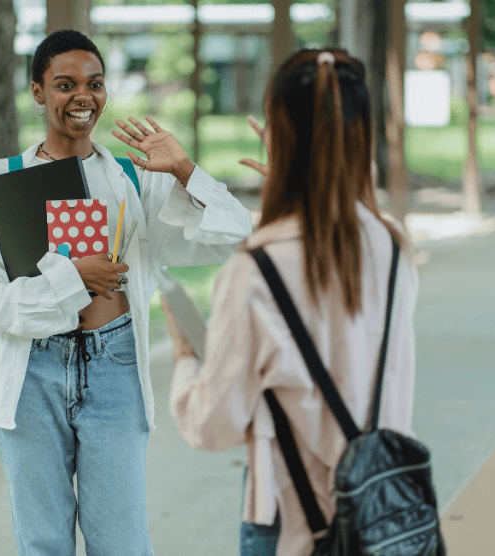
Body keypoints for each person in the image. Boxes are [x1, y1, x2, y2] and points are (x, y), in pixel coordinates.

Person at [0, 30, 252, 556]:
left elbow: (236, 237)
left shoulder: (132, 179)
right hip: (31, 372)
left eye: (94, 84)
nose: (82, 97)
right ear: (37, 91)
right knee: (42, 542)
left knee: (121, 543)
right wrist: (75, 279)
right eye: (65, 84)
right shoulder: (3, 181)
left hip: (114, 367)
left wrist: (185, 170)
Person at [166, 49, 418, 556]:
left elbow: (215, 426)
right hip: (387, 514)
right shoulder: (392, 248)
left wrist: (186, 360)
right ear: (362, 137)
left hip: (293, 525)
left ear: (279, 139)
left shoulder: (254, 273)